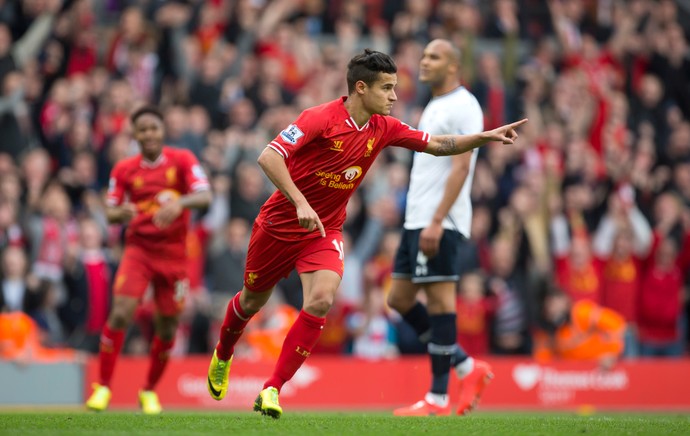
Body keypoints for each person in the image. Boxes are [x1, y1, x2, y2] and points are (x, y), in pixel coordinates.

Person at [206, 48, 526, 419]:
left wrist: (484, 137)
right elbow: (268, 156)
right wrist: (299, 202)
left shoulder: (385, 128)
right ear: (361, 88)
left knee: (321, 300)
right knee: (250, 302)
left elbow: (438, 145)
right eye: (387, 88)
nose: (394, 96)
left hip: (324, 230)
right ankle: (223, 354)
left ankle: (272, 389)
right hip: (279, 225)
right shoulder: (319, 118)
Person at [386, 39, 493, 417]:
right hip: (416, 219)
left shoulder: (464, 105)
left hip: (439, 222)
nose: (423, 61)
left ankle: (438, 398)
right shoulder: (434, 103)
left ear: (453, 66)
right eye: (424, 55)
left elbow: (462, 168)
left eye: (433, 56)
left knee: (441, 303)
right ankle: (466, 367)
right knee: (398, 298)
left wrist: (436, 221)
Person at [85, 106, 212, 414]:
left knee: (167, 327)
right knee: (120, 314)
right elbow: (111, 210)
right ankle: (102, 387)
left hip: (174, 256)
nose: (149, 134)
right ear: (135, 135)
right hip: (139, 251)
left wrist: (180, 202)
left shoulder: (182, 160)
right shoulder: (124, 169)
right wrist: (121, 213)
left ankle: (149, 391)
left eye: (153, 128)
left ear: (162, 130)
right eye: (142, 129)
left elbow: (205, 196)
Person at [533, 289, 626, 370]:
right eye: (550, 306)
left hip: (601, 367)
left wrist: (612, 354)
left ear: (566, 302)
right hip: (574, 376)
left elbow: (617, 325)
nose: (553, 309)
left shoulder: (582, 313)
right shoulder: (546, 331)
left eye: (556, 304)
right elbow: (542, 359)